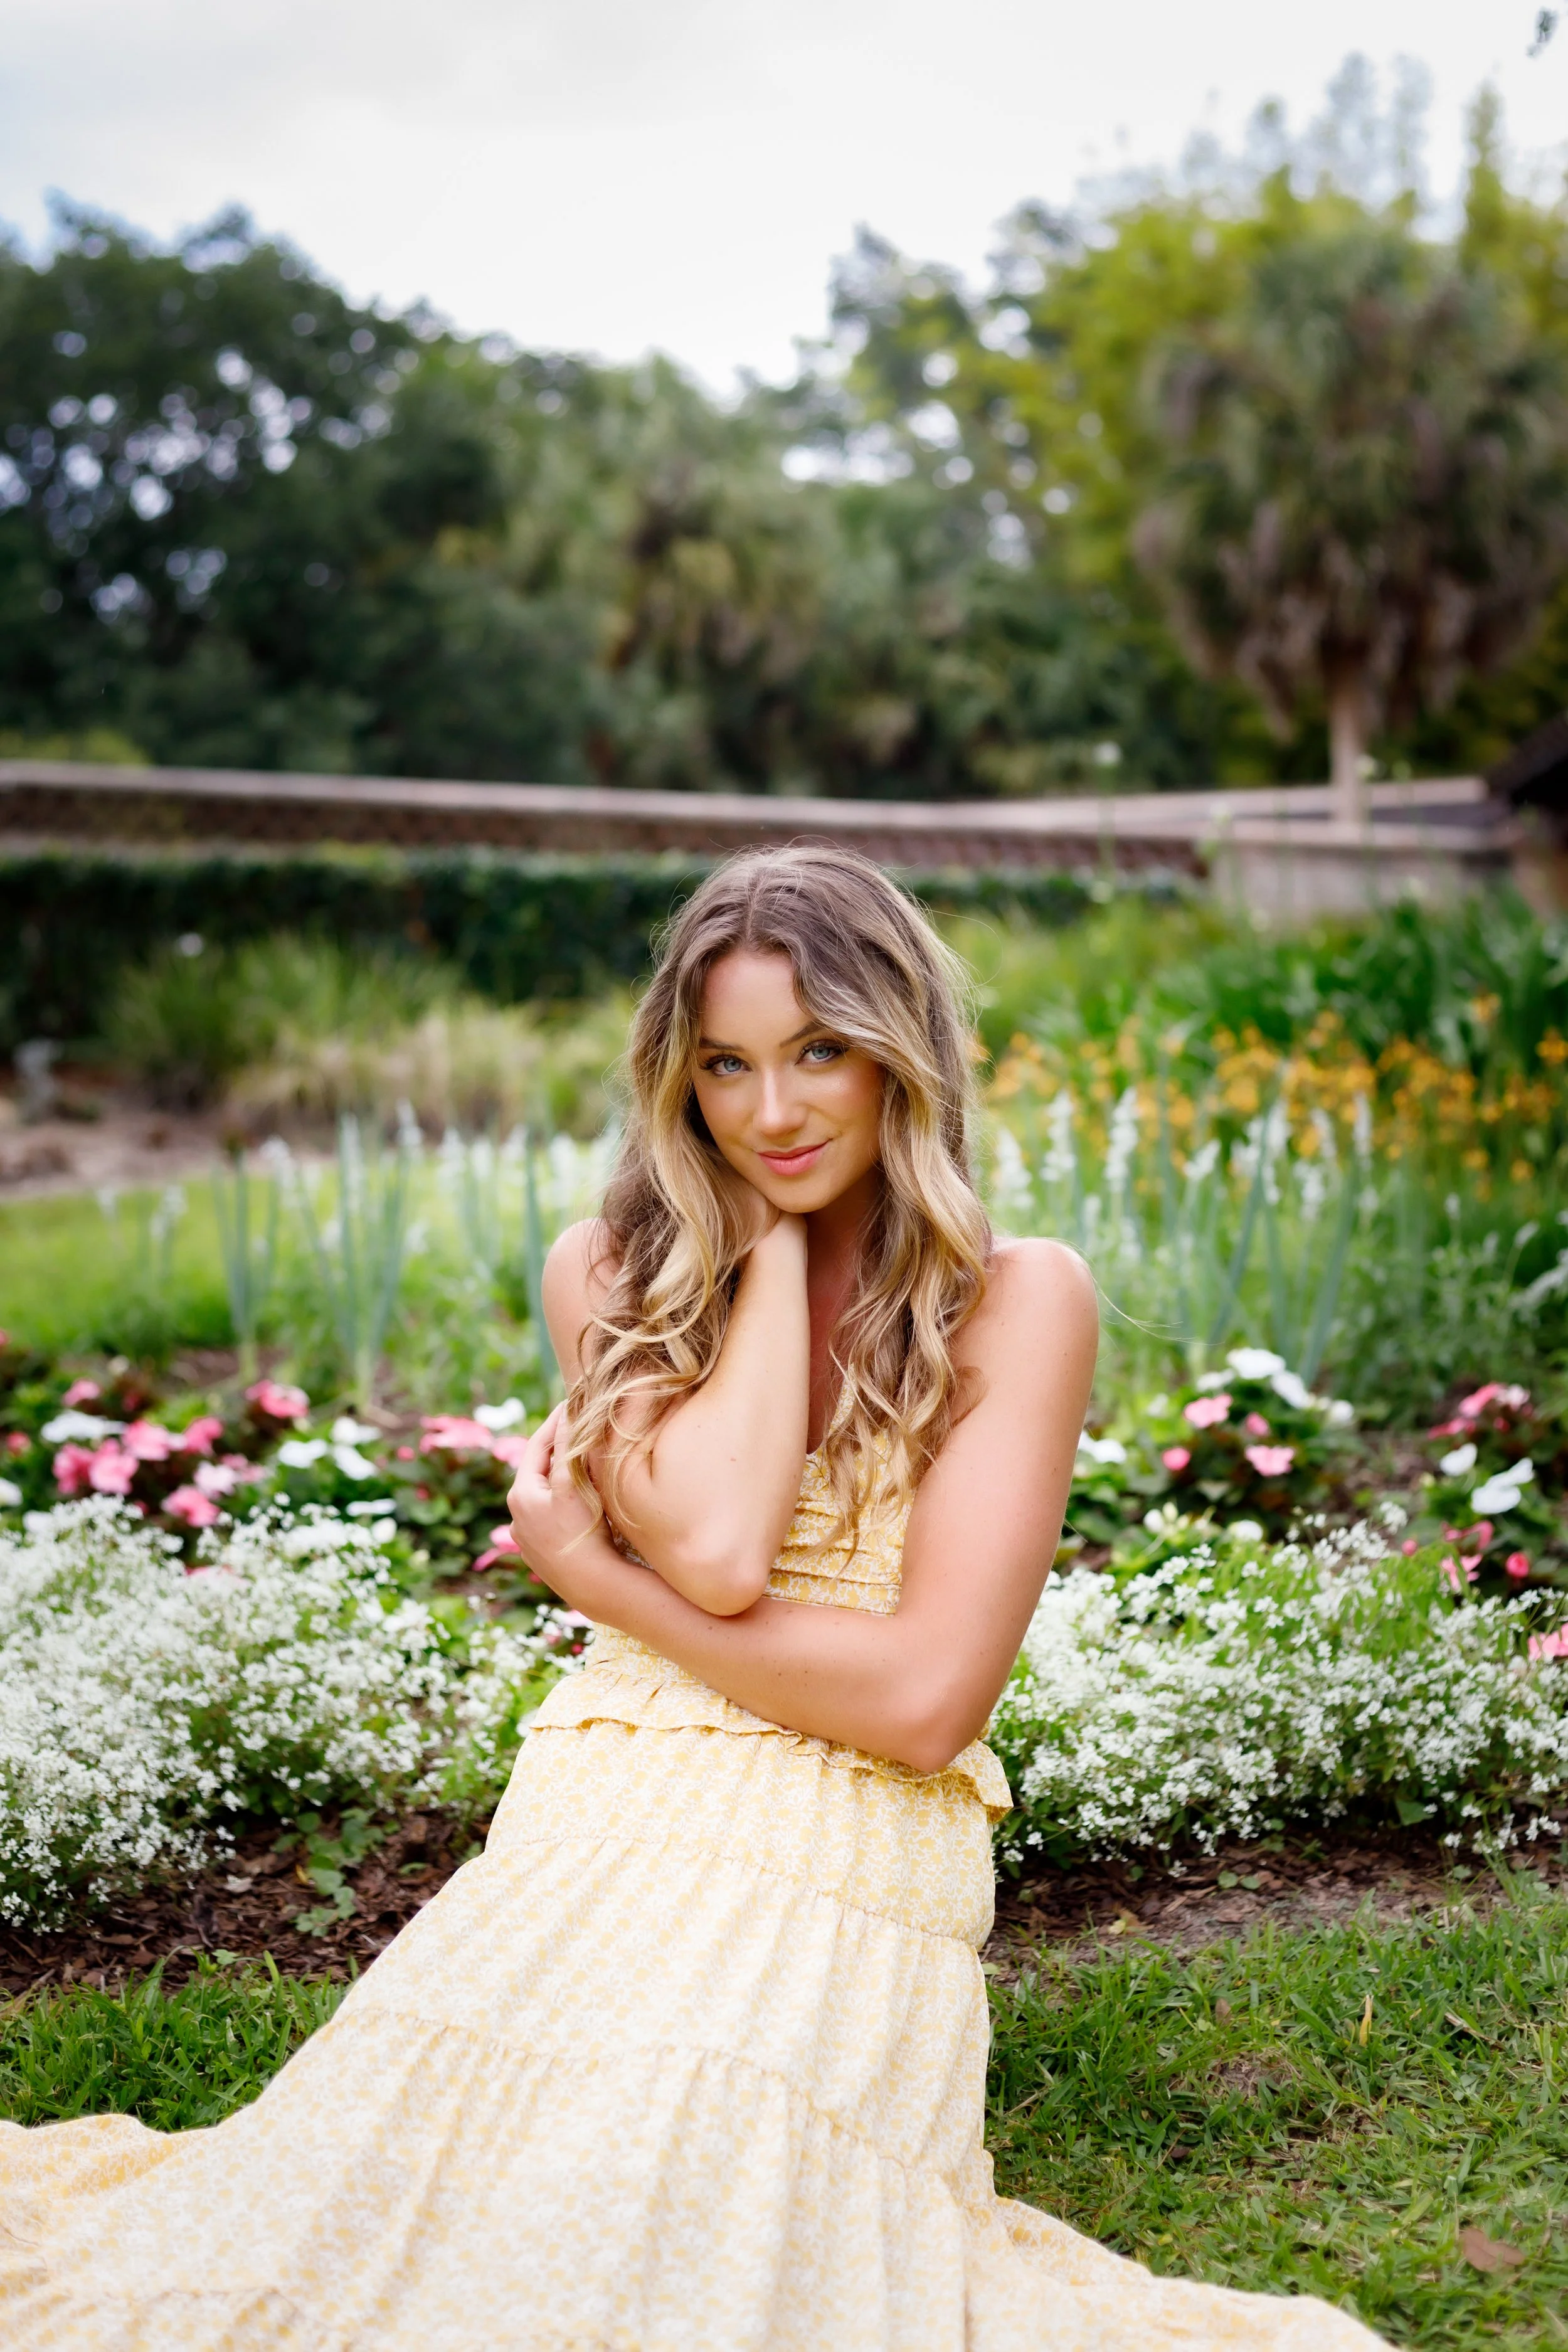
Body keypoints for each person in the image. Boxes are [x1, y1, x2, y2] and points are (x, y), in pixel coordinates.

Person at [0, 847, 1382, 2349]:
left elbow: (920, 1705)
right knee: (398, 2192)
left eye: (819, 1055)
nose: (771, 1113)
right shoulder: (605, 1273)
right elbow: (729, 1550)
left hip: (851, 1828)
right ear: (677, 1079)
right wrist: (769, 1253)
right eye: (724, 1066)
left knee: (681, 2169)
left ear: (898, 1058)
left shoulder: (1017, 1297)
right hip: (618, 1785)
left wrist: (594, 1576)